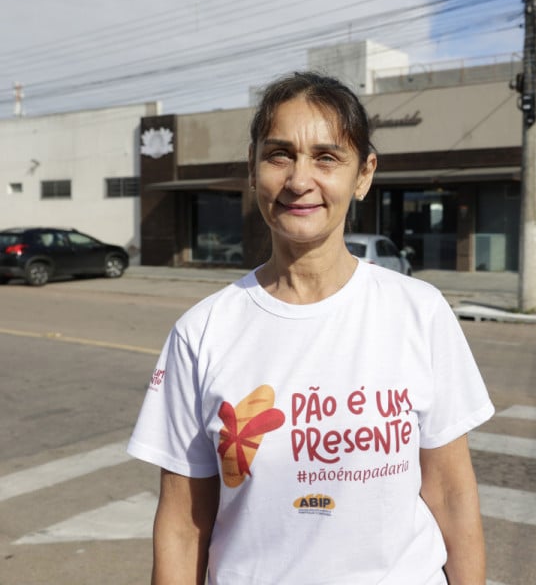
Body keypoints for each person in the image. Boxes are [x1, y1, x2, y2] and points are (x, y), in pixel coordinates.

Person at [128, 71, 494, 585]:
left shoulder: (420, 312)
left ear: (363, 175)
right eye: (280, 155)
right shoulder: (202, 332)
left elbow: (452, 496)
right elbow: (183, 526)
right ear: (253, 169)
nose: (300, 181)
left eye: (326, 158)